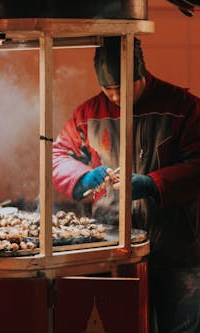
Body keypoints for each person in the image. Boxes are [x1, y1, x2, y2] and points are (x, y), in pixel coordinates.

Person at [52, 37, 199, 333]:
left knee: (181, 326)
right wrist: (82, 177)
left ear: (141, 74)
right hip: (110, 247)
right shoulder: (88, 114)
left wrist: (153, 184)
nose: (117, 97)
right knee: (118, 324)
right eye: (109, 90)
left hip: (175, 246)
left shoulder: (183, 108)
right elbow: (58, 156)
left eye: (124, 88)